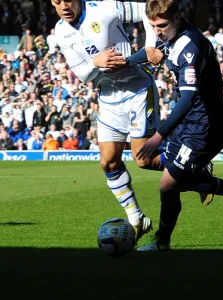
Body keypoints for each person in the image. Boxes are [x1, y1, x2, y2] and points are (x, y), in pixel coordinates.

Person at [136, 0, 223, 251]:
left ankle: (162, 241)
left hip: (204, 129)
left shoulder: (189, 46)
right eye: (153, 26)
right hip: (189, 124)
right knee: (156, 168)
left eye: (162, 25)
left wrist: (159, 135)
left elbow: (188, 98)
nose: (158, 31)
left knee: (168, 185)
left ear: (178, 17)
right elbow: (152, 52)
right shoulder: (172, 35)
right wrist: (123, 62)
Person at [51, 0, 166, 241]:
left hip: (137, 89)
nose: (63, 6)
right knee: (108, 162)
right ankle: (137, 218)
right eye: (56, 1)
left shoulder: (105, 8)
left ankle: (191, 162)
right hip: (108, 97)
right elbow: (82, 73)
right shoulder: (60, 31)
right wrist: (96, 62)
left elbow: (149, 9)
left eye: (66, 0)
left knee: (142, 160)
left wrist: (149, 46)